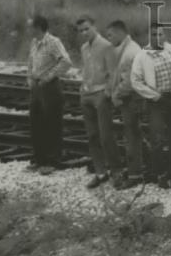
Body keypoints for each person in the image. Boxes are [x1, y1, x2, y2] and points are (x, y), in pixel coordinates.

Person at [131, 24, 171, 188]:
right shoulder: (142, 56)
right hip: (157, 100)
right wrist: (155, 96)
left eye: (160, 34)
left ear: (164, 35)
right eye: (153, 34)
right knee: (157, 138)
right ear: (148, 37)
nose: (157, 37)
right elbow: (135, 81)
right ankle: (159, 172)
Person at [76, 15, 118, 189]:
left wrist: (107, 93)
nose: (84, 33)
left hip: (101, 95)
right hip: (87, 95)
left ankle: (115, 171)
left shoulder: (107, 46)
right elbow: (86, 69)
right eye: (81, 31)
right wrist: (83, 88)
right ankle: (100, 172)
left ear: (94, 26)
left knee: (106, 135)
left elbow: (113, 72)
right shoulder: (84, 48)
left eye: (87, 28)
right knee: (92, 136)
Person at [27, 15, 72, 175]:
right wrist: (30, 79)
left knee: (51, 123)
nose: (28, 29)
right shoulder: (34, 43)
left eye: (30, 26)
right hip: (37, 87)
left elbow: (66, 61)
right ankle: (39, 159)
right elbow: (31, 63)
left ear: (38, 27)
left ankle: (52, 160)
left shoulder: (53, 42)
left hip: (50, 86)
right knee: (36, 123)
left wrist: (49, 76)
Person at [106, 20, 143, 189]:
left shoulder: (130, 52)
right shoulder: (128, 48)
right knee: (132, 135)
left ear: (120, 32)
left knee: (131, 137)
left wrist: (116, 94)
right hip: (131, 98)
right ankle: (135, 170)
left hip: (132, 99)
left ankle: (135, 174)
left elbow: (129, 82)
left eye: (110, 35)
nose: (109, 39)